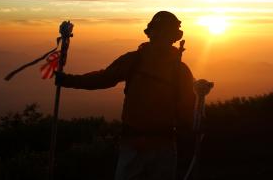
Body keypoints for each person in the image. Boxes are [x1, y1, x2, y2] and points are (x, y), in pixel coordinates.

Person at [55, 11, 195, 180]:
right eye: (159, 32)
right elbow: (104, 78)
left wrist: (68, 81)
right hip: (151, 147)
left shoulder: (166, 67)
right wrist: (69, 80)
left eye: (164, 33)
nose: (160, 37)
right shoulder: (170, 67)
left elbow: (104, 78)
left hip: (149, 146)